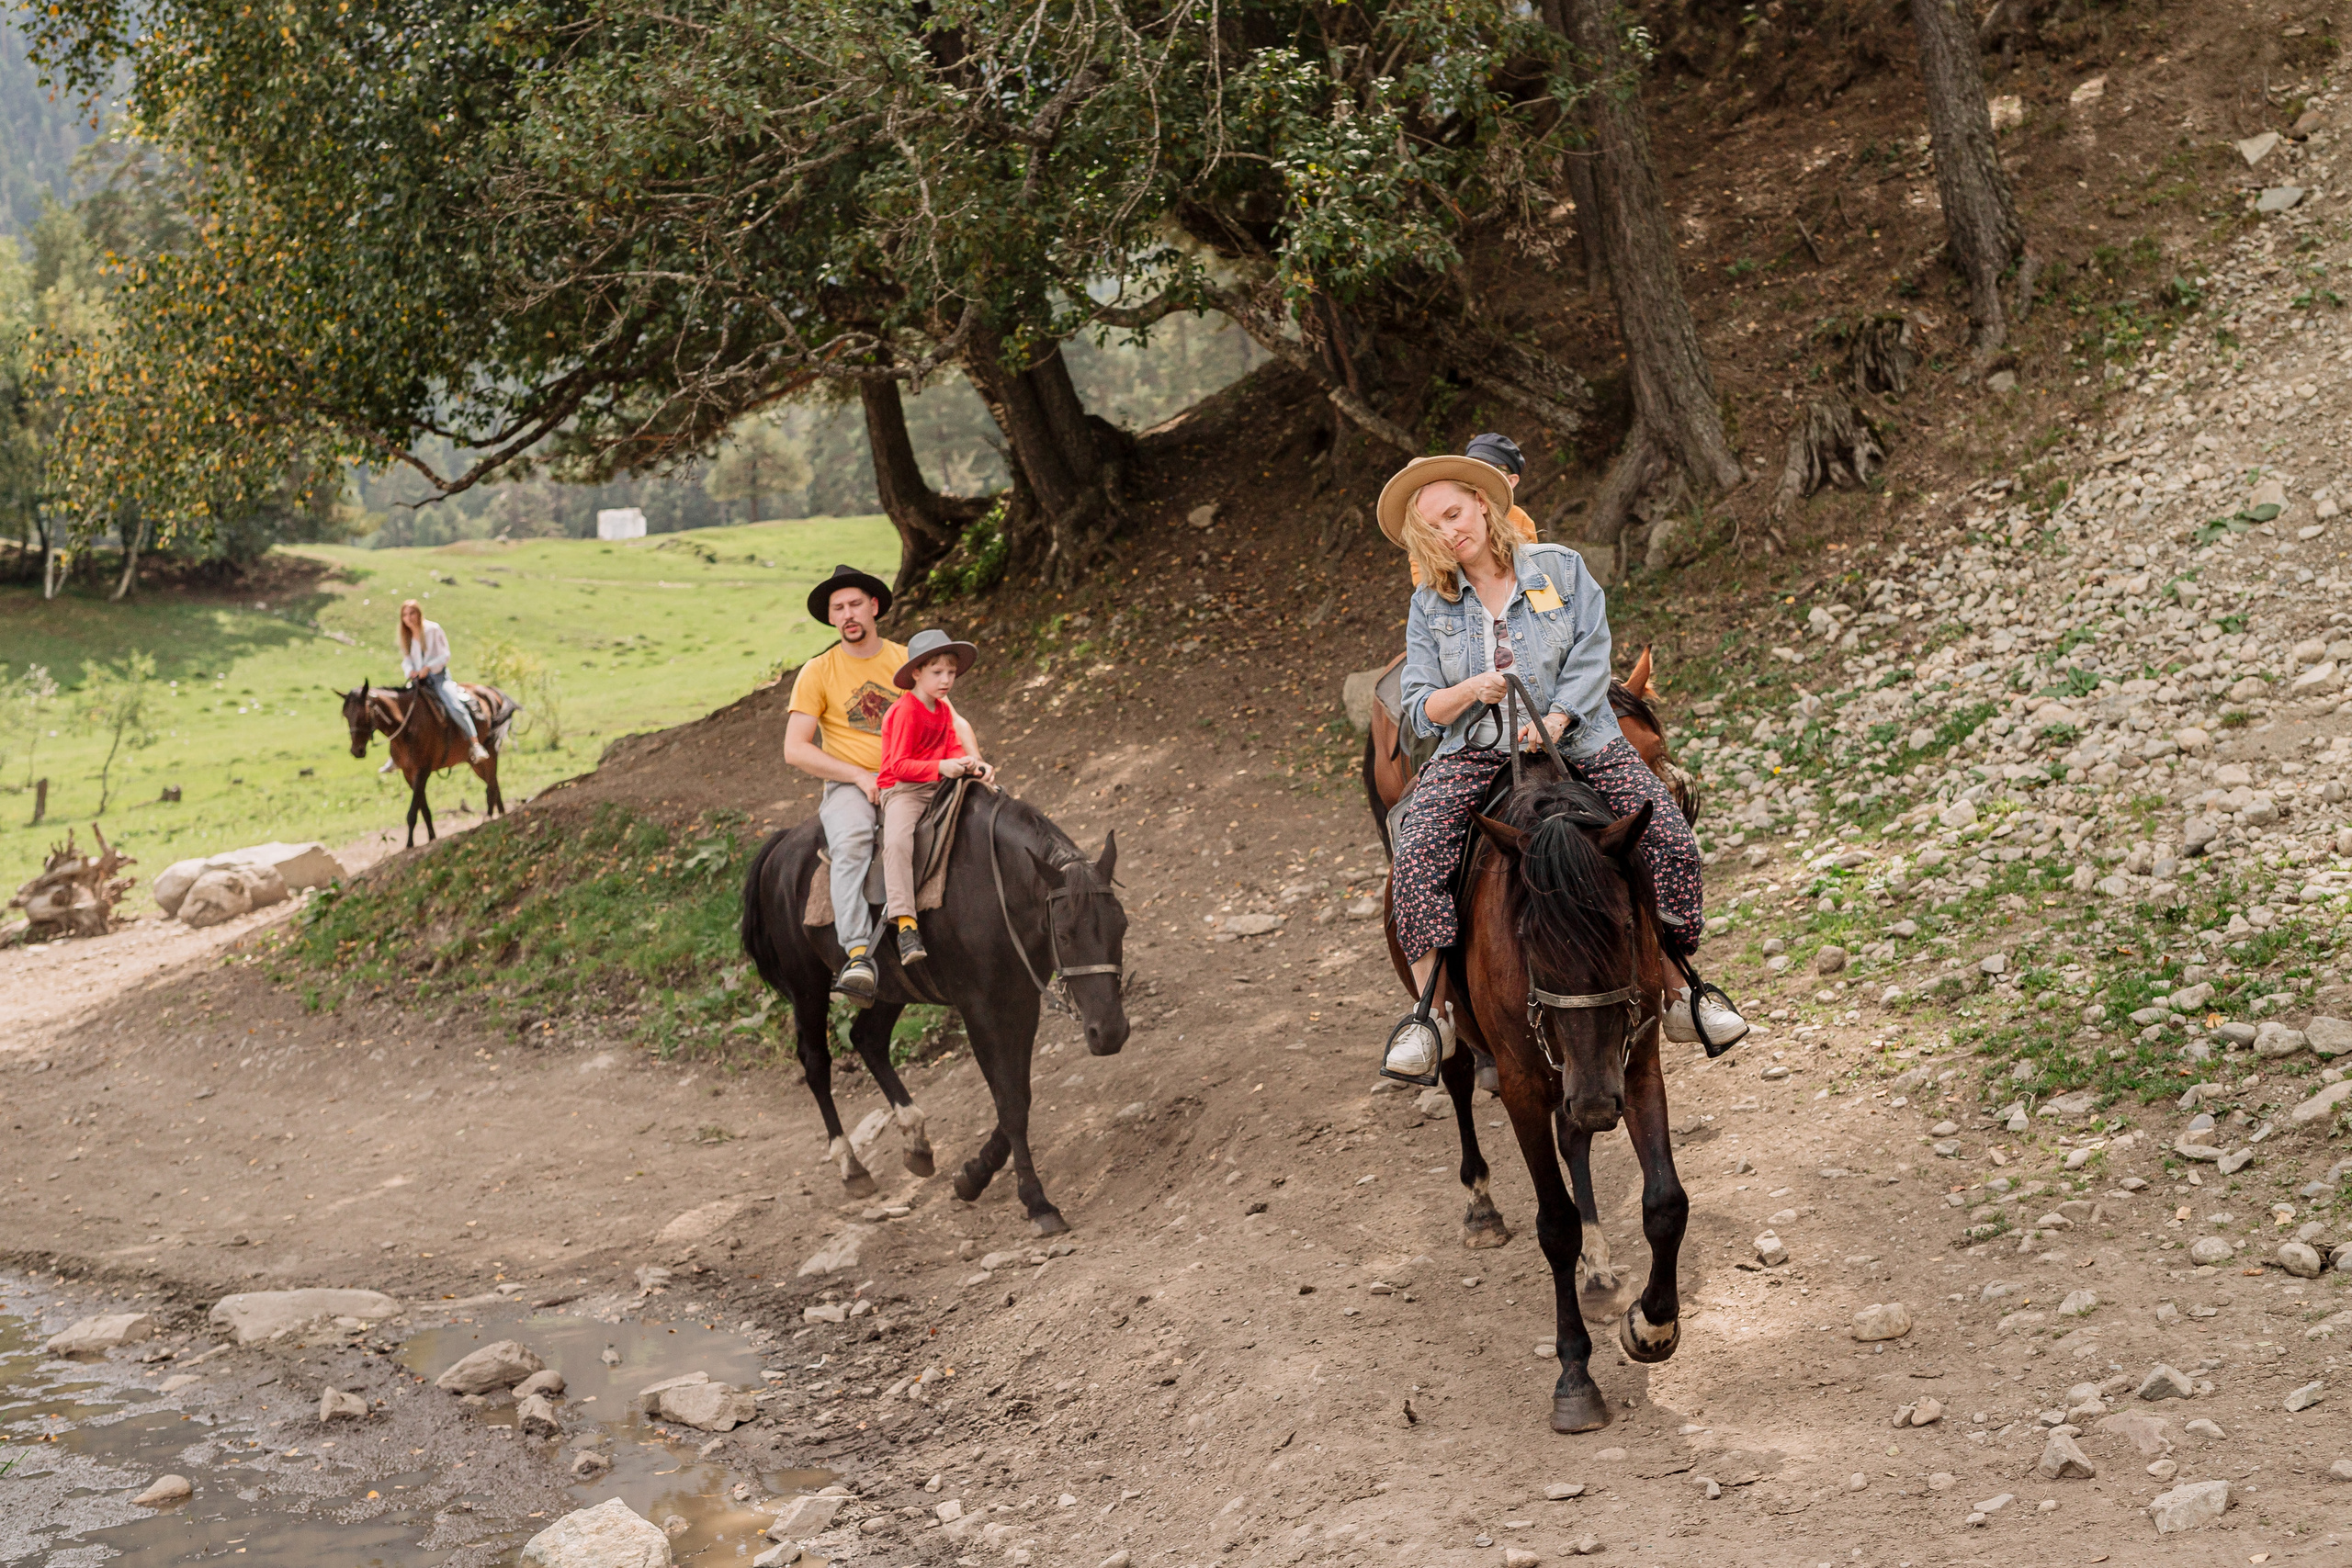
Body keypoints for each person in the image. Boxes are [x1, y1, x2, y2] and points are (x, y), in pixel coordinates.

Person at [1374, 455, 1747, 1083]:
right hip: (1474, 748)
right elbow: (1419, 707)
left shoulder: (1562, 569)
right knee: (1416, 854)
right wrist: (1470, 690)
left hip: (1582, 738)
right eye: (1431, 527)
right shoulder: (1429, 604)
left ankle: (1682, 989)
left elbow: (1592, 652)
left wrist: (1560, 716)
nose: (1448, 532)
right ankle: (1430, 1016)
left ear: (1482, 502)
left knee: (1670, 838)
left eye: (1454, 513)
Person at [785, 563, 910, 1006]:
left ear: (874, 607)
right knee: (854, 839)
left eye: (855, 604)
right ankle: (858, 954)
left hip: (911, 776)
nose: (848, 614)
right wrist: (857, 775)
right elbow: (795, 749)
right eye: (838, 608)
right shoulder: (818, 671)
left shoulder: (905, 660)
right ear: (831, 618)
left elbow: (944, 716)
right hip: (850, 785)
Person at [876, 628, 996, 966]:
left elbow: (953, 746)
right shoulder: (905, 711)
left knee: (988, 803)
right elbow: (899, 766)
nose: (946, 680)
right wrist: (941, 766)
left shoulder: (942, 710)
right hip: (904, 789)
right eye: (937, 672)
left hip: (939, 781)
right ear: (917, 672)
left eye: (951, 673)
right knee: (898, 841)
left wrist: (970, 764)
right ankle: (905, 924)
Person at [396, 600, 490, 764]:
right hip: (419, 682)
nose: (408, 618)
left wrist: (428, 667)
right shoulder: (407, 636)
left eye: (412, 613)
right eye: (405, 615)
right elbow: (407, 659)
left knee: (454, 706)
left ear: (419, 613)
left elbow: (445, 654)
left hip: (438, 678)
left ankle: (475, 744)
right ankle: (396, 755)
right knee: (401, 709)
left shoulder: (433, 629)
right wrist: (410, 670)